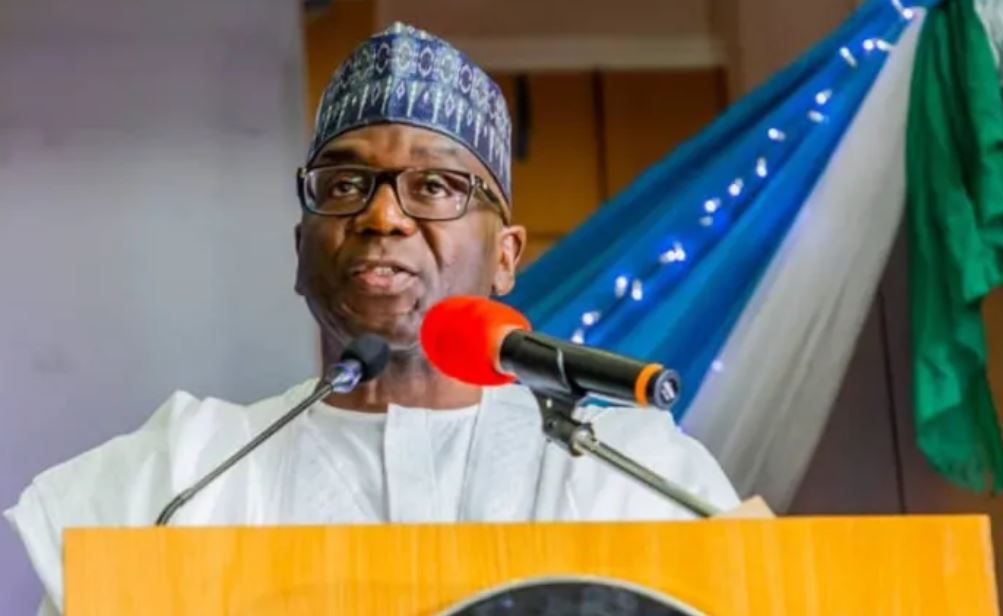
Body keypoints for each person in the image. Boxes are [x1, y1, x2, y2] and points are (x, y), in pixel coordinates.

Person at [6, 22, 739, 615]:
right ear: (302, 247)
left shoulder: (631, 472)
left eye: (437, 185)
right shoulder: (177, 475)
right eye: (345, 182)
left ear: (506, 256)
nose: (382, 214)